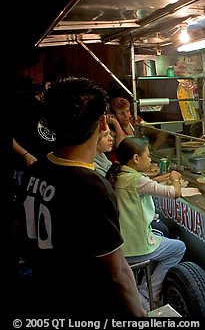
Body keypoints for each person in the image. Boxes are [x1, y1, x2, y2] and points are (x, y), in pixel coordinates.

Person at [12, 76, 147, 317]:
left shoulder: (34, 171)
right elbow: (118, 272)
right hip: (83, 304)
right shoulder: (93, 188)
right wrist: (140, 316)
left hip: (40, 296)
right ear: (103, 123)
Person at [106, 137, 190, 311]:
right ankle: (146, 295)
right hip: (134, 247)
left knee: (159, 235)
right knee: (179, 248)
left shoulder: (119, 174)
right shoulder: (136, 180)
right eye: (148, 156)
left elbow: (144, 184)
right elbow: (174, 193)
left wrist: (158, 179)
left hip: (120, 243)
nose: (150, 160)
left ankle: (143, 288)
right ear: (136, 158)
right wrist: (175, 178)